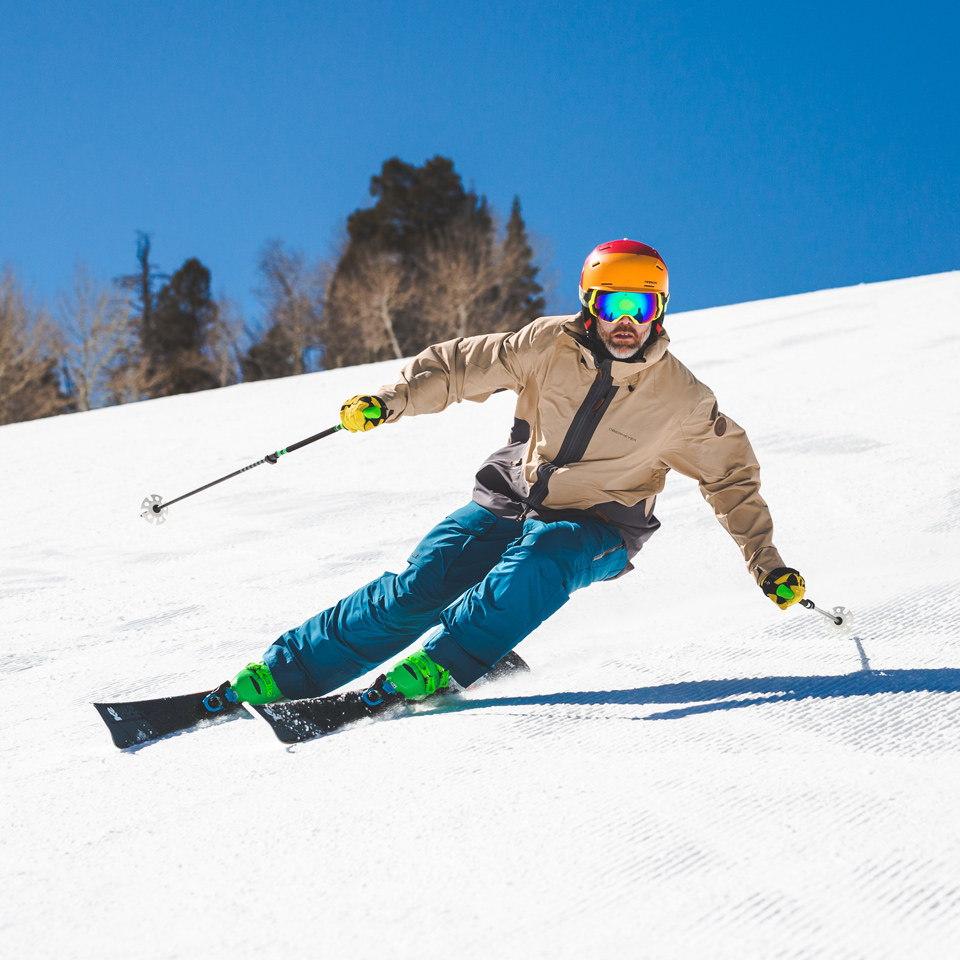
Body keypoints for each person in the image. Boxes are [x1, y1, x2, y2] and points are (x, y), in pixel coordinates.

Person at [228, 239, 806, 706]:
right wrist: (392, 401)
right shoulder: (546, 344)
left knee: (542, 557)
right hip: (512, 498)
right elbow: (461, 367)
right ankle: (291, 670)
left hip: (599, 526)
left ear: (660, 311)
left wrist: (768, 564)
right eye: (611, 305)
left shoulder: (681, 399)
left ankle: (447, 663)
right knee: (425, 584)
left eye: (642, 306)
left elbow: (730, 477)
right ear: (589, 305)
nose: (625, 322)